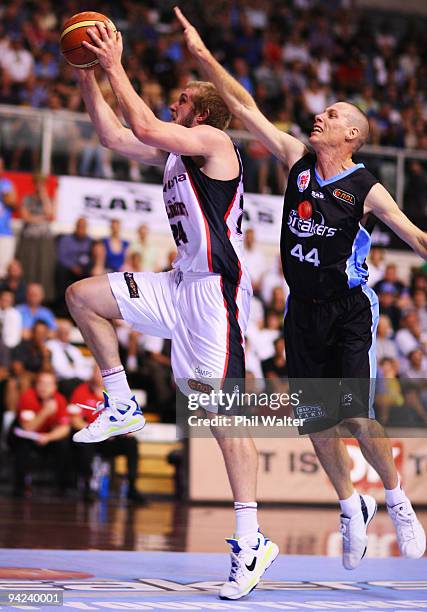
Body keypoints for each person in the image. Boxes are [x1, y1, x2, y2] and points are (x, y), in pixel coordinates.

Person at [175, 5, 426, 570]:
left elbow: (416, 238)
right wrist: (203, 57)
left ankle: (397, 499)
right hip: (301, 308)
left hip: (348, 308)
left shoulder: (366, 189)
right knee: (315, 425)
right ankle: (349, 507)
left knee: (356, 418)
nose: (321, 115)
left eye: (333, 114)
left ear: (352, 134)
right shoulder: (296, 161)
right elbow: (243, 106)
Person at [64, 21, 278, 600]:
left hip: (215, 295)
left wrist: (114, 64)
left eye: (180, 100)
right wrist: (88, 76)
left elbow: (140, 123)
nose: (171, 104)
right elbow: (113, 136)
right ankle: (120, 399)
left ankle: (251, 538)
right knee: (83, 296)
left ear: (200, 112)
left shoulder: (215, 145)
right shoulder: (172, 152)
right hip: (178, 283)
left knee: (221, 416)